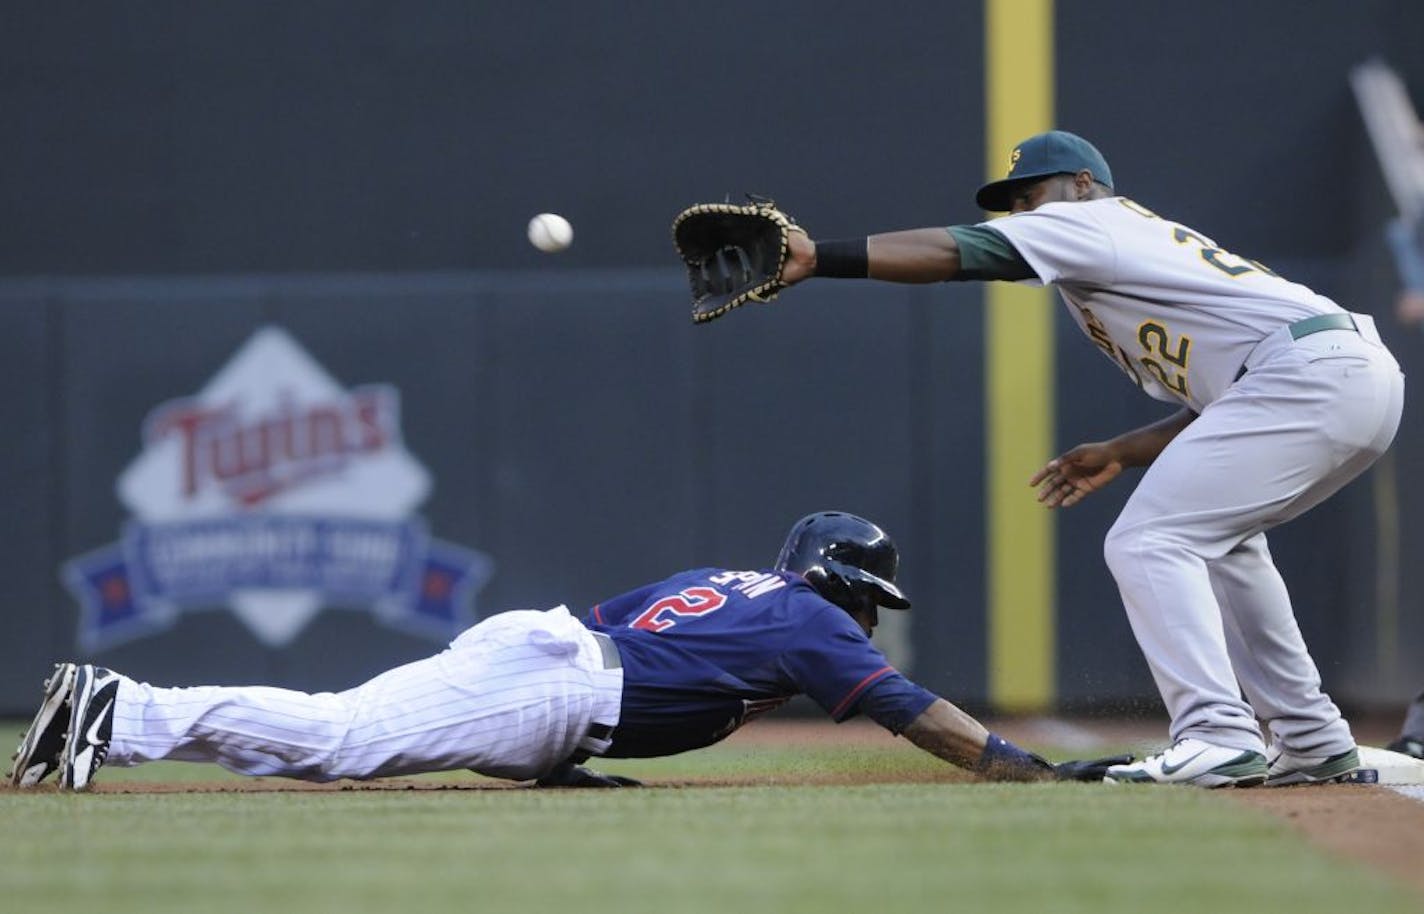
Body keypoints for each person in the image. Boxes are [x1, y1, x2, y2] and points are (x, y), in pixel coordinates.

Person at [760, 131, 1405, 787]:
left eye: (1031, 193)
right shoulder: (1119, 253)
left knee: (1149, 539)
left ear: (1085, 184)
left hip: (1305, 373)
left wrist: (820, 258)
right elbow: (1225, 397)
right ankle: (1311, 738)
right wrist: (1124, 452)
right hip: (1336, 374)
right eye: (1013, 202)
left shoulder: (1088, 222)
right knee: (1225, 544)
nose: (1024, 211)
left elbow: (959, 252)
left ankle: (1215, 734)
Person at [8, 511, 1124, 792]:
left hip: (553, 664)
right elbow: (910, 709)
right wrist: (1013, 766)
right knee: (340, 737)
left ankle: (113, 718)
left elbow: (619, 631)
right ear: (837, 578)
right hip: (559, 680)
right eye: (864, 594)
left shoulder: (728, 583)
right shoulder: (807, 619)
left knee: (340, 736)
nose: (867, 617)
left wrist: (550, 758)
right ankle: (117, 705)